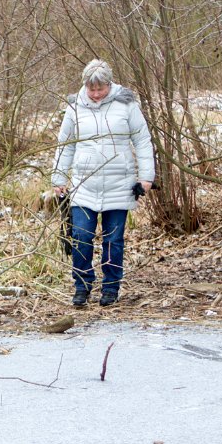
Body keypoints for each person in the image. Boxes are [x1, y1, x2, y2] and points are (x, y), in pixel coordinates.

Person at [52, 59, 155, 307]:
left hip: (120, 184)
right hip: (84, 184)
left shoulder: (127, 104)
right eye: (92, 89)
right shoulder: (74, 107)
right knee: (80, 237)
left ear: (109, 85)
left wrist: (147, 178)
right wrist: (58, 177)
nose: (96, 94)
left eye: (101, 88)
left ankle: (110, 288)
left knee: (113, 239)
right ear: (85, 86)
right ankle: (82, 285)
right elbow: (65, 143)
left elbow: (142, 140)